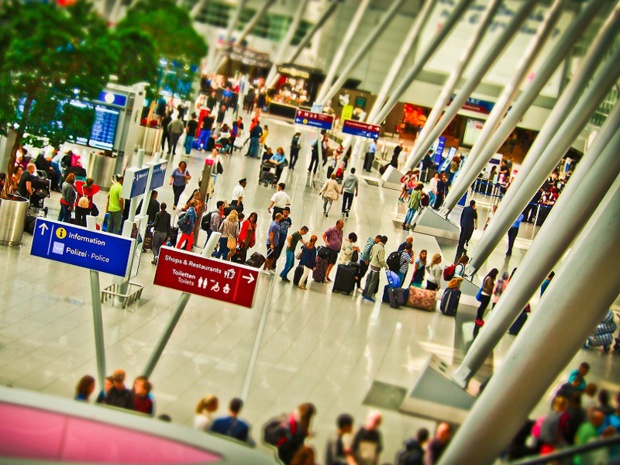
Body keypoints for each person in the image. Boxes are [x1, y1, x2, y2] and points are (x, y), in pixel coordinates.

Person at [473, 268, 499, 339]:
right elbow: (489, 287)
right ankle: (479, 318)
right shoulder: (490, 279)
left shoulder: (488, 277)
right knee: (482, 306)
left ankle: (479, 317)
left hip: (484, 293)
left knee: (482, 306)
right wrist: (494, 285)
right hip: (486, 294)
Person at [362, 235, 388, 302]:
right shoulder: (382, 249)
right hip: (376, 267)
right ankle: (368, 295)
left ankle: (364, 293)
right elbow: (381, 260)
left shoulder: (375, 246)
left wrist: (371, 260)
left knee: (368, 280)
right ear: (385, 242)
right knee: (373, 282)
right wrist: (386, 266)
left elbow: (370, 254)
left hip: (372, 265)